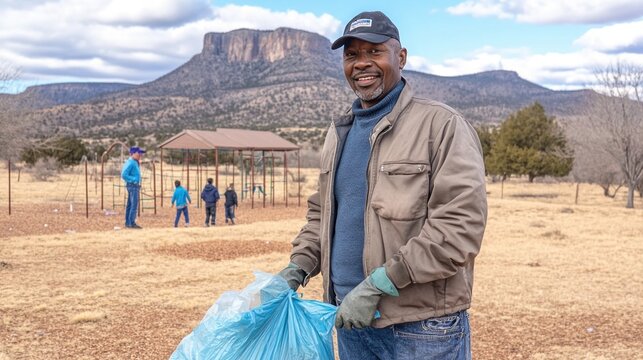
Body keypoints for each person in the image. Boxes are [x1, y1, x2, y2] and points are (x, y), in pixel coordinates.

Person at [277, 11, 487, 360]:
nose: (362, 64)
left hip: (421, 327)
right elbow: (322, 214)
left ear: (400, 57)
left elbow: (459, 228)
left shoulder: (442, 126)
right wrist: (298, 266)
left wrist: (380, 284)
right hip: (351, 321)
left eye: (374, 52)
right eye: (352, 55)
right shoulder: (339, 132)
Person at [121, 146, 145, 229]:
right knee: (134, 205)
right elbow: (124, 174)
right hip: (133, 185)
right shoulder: (131, 162)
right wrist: (134, 180)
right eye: (138, 153)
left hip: (133, 185)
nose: (140, 155)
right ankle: (131, 223)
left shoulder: (134, 162)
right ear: (133, 153)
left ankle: (128, 222)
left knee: (130, 205)